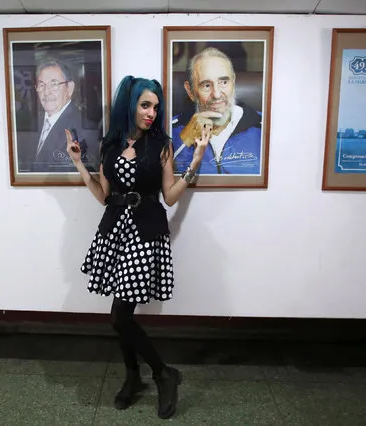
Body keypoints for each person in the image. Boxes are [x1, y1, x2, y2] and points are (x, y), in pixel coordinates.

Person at [65, 75, 211, 419]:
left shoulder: (161, 144)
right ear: (130, 105)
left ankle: (161, 374)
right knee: (121, 316)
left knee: (119, 316)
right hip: (115, 230)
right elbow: (104, 196)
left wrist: (195, 162)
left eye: (156, 107)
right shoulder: (110, 144)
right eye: (146, 104)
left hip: (145, 231)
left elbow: (170, 196)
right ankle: (135, 377)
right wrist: (78, 165)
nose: (151, 112)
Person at [171, 46, 262, 175]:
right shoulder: (170, 129)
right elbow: (166, 180)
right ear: (190, 91)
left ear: (233, 83)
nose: (217, 94)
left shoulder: (263, 127)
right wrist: (185, 139)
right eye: (206, 85)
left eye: (224, 82)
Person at [17, 58, 100, 173]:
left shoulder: (85, 129)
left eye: (54, 84)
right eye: (41, 85)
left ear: (69, 88)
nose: (46, 92)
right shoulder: (34, 124)